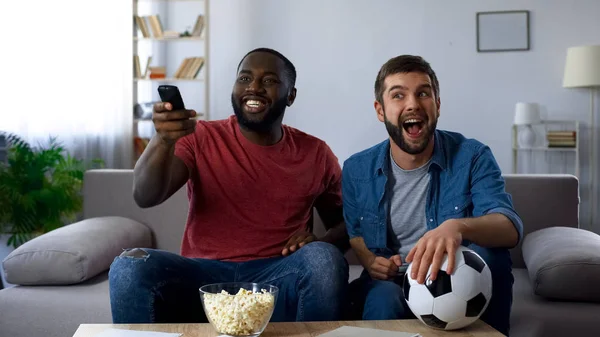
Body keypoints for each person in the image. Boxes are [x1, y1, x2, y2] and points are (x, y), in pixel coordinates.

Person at [108, 48, 350, 324]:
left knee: (324, 259)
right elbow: (145, 195)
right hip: (202, 277)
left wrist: (320, 242)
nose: (254, 88)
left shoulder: (315, 153)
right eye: (245, 79)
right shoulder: (200, 136)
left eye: (269, 81)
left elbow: (347, 224)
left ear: (291, 95)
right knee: (129, 266)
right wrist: (162, 139)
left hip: (276, 279)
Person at [341, 55, 522, 336]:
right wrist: (368, 260)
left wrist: (456, 227)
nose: (412, 103)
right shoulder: (356, 168)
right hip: (393, 283)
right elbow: (354, 231)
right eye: (398, 95)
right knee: (382, 299)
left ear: (437, 105)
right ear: (380, 110)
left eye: (423, 93)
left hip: (454, 278)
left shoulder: (473, 155)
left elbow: (509, 228)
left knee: (492, 256)